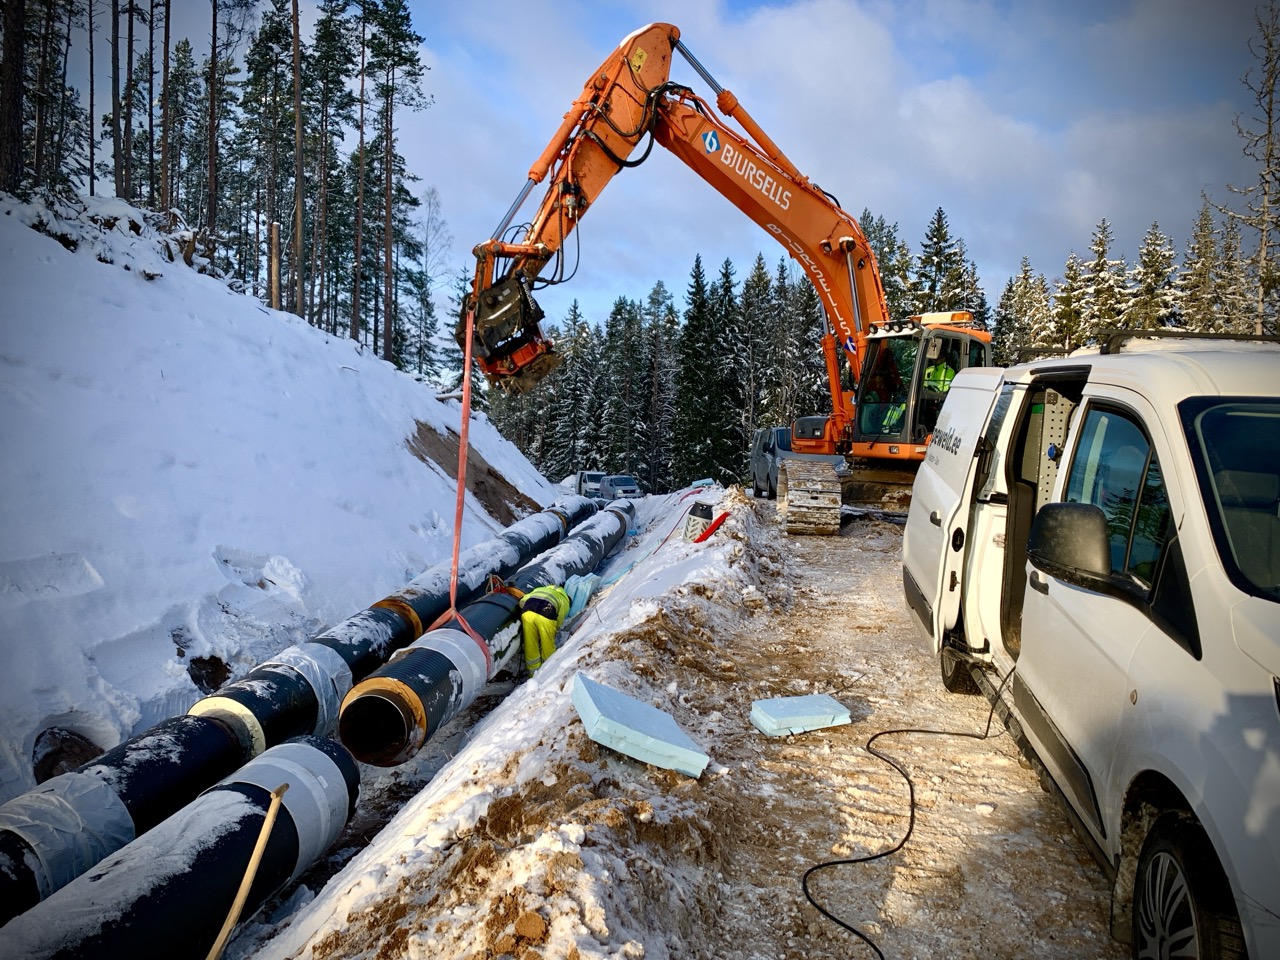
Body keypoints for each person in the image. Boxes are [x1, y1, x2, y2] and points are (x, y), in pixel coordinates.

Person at [518, 584, 571, 674]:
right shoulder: (564, 600)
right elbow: (559, 619)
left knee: (530, 643)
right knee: (547, 644)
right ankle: (548, 672)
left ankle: (532, 673)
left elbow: (522, 601)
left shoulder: (539, 589)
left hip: (528, 612)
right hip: (547, 613)